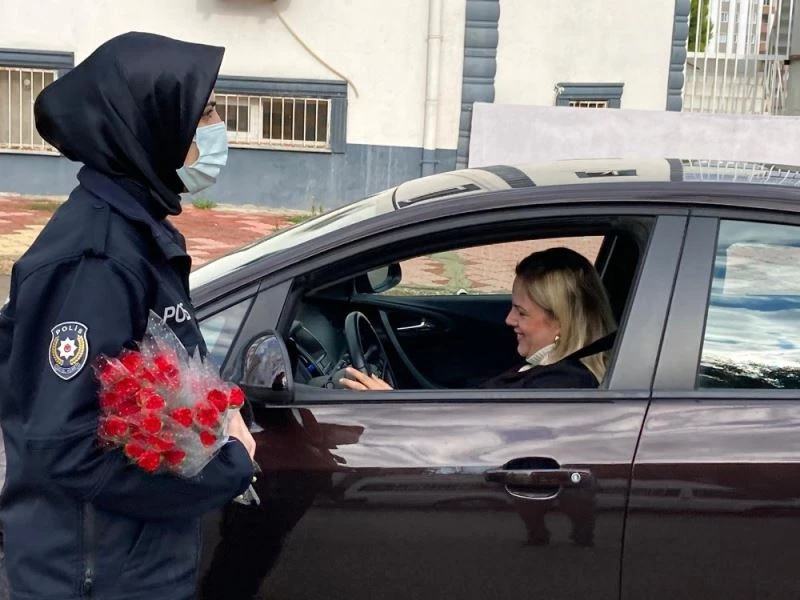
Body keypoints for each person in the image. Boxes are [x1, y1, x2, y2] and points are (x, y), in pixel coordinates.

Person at [0, 32, 256, 600]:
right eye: (205, 113)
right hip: (91, 573)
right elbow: (64, 446)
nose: (217, 129)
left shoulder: (138, 231)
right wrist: (224, 469)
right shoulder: (96, 257)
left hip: (129, 563)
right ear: (150, 121)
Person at [341, 246, 617, 391]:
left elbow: (473, 441)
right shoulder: (545, 367)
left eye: (521, 312)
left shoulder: (561, 386)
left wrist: (392, 412)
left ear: (561, 322)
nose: (509, 320)